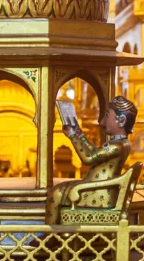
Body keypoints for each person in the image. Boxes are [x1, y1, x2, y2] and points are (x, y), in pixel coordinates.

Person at [46, 96, 137, 224]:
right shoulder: (120, 143)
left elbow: (89, 158)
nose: (102, 122)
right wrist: (78, 132)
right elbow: (94, 152)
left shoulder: (118, 145)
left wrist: (73, 136)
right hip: (97, 187)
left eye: (107, 116)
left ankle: (52, 235)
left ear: (121, 120)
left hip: (99, 192)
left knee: (56, 193)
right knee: (60, 189)